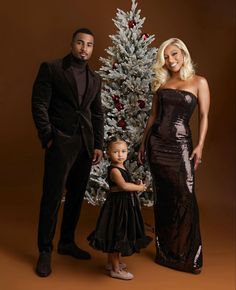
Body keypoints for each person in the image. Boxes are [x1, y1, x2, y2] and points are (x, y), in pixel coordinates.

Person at [32, 28, 104, 277]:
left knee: (76, 196)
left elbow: (97, 113)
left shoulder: (95, 79)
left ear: (93, 48)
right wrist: (48, 136)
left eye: (90, 45)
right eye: (80, 43)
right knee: (52, 197)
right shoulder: (52, 69)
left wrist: (98, 144)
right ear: (72, 44)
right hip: (60, 143)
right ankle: (44, 250)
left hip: (85, 145)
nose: (85, 48)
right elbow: (39, 103)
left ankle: (66, 242)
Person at [138, 38, 210, 274]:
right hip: (157, 144)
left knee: (185, 195)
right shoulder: (162, 83)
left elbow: (204, 116)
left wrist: (199, 145)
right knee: (164, 198)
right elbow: (152, 117)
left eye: (175, 54)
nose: (171, 60)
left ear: (184, 54)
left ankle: (189, 258)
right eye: (166, 57)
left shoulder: (199, 82)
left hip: (181, 146)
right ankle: (166, 254)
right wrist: (142, 144)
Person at [87, 136, 152, 280]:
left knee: (116, 233)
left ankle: (112, 263)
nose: (120, 154)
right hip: (117, 208)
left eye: (123, 151)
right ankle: (116, 270)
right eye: (116, 152)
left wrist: (133, 182)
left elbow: (124, 183)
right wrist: (139, 187)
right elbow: (123, 186)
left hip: (123, 205)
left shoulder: (122, 167)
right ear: (108, 154)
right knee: (117, 234)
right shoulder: (114, 170)